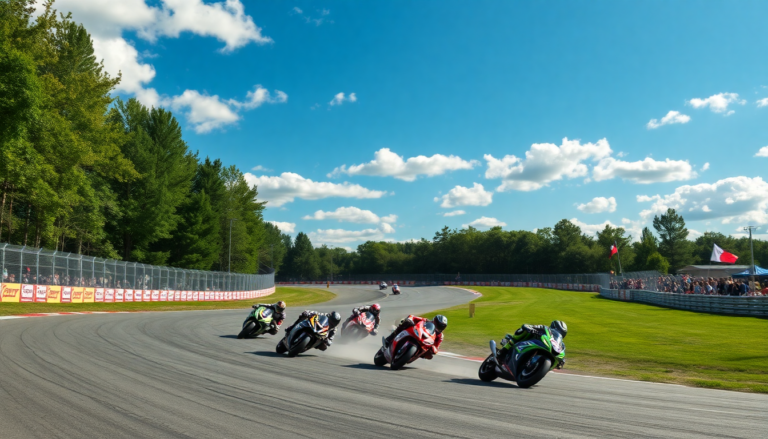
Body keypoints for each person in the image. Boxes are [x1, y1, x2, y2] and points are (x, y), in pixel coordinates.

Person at [496, 320, 568, 367]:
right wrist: (530, 329)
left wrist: (561, 361)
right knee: (523, 330)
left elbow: (562, 353)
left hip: (546, 350)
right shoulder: (545, 329)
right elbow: (528, 326)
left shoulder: (561, 344)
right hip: (528, 342)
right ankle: (504, 350)